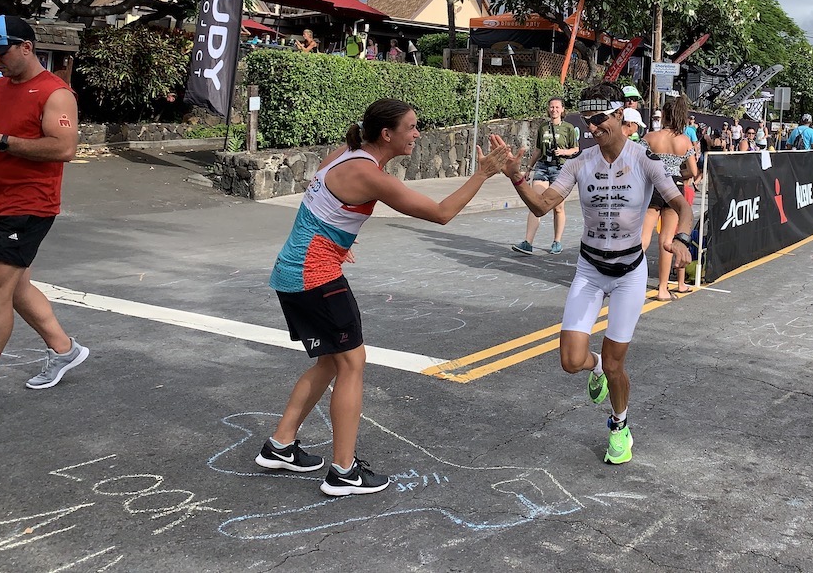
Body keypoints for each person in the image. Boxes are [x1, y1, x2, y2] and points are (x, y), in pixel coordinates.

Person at [258, 99, 510, 496]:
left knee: (331, 361)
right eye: (411, 127)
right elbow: (441, 213)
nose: (417, 133)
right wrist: (483, 173)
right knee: (352, 363)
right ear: (387, 134)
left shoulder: (347, 153)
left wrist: (337, 242)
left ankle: (281, 444)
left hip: (295, 270)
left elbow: (319, 206)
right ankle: (343, 472)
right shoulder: (368, 172)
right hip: (315, 276)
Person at [492, 83, 692, 465]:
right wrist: (516, 177)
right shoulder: (579, 163)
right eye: (587, 120)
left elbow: (681, 204)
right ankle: (596, 367)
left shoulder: (646, 158)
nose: (592, 127)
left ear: (620, 114)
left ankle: (620, 426)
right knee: (571, 360)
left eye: (599, 118)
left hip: (629, 272)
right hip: (590, 268)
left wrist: (682, 238)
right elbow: (542, 206)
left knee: (618, 364)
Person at [0, 16, 87, 425]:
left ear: (27, 47)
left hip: (30, 204)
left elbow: (63, 148)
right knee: (17, 288)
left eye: (1, 53)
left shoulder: (56, 93)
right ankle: (64, 348)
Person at [643, 96, 699, 301]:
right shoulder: (684, 140)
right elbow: (693, 171)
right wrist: (677, 173)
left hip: (653, 187)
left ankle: (628, 280)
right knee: (667, 240)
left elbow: (639, 163)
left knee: (643, 238)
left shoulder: (650, 137)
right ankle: (663, 289)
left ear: (664, 116)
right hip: (674, 188)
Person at [512, 97, 581, 256]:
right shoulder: (543, 127)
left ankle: (557, 241)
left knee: (558, 207)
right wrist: (528, 168)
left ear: (562, 109)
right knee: (535, 202)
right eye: (551, 107)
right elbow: (537, 150)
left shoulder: (569, 128)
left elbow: (575, 149)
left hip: (560, 168)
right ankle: (528, 243)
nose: (554, 110)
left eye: (557, 107)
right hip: (543, 167)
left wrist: (564, 152)